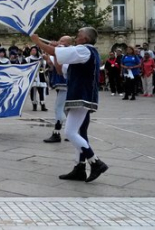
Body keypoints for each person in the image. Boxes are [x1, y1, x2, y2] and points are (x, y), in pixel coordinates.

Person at [31, 27, 108, 183]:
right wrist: (57, 51)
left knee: (70, 132)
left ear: (85, 39)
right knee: (81, 132)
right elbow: (61, 70)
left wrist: (38, 42)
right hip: (81, 96)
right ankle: (80, 167)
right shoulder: (82, 53)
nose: (76, 38)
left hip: (82, 96)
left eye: (79, 36)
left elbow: (57, 54)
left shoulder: (84, 50)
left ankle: (95, 162)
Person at [43, 35, 72, 143]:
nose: (59, 42)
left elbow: (52, 61)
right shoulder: (63, 50)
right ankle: (72, 132)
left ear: (67, 42)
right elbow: (51, 62)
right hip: (63, 82)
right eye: (59, 40)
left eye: (62, 40)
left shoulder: (65, 50)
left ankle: (57, 132)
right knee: (65, 109)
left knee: (59, 108)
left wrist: (51, 48)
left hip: (64, 82)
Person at [26, 47, 48, 112]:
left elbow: (46, 67)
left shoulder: (41, 59)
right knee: (33, 92)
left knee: (42, 92)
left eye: (35, 50)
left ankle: (43, 105)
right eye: (32, 50)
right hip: (32, 77)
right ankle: (34, 105)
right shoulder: (28, 59)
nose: (33, 51)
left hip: (41, 77)